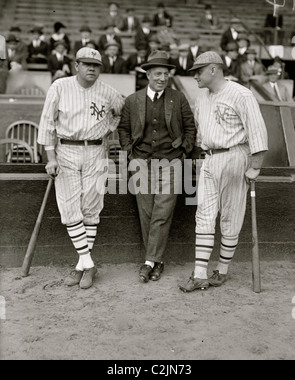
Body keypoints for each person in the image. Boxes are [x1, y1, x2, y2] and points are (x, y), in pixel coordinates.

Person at [178, 51, 268, 292]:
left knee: (230, 216)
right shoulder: (202, 97)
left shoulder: (241, 94)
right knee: (204, 215)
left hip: (235, 155)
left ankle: (222, 270)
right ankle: (199, 274)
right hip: (210, 157)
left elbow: (257, 131)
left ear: (213, 70)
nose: (195, 76)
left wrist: (255, 166)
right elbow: (200, 133)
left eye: (198, 71)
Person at [37, 47, 125, 289]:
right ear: (76, 65)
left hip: (96, 151)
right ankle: (89, 263)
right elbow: (47, 122)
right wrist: (51, 157)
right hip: (66, 150)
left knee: (91, 207)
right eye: (86, 64)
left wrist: (108, 129)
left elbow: (120, 112)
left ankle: (80, 266)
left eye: (96, 66)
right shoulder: (60, 86)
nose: (92, 69)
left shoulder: (109, 92)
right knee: (69, 207)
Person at [118, 50, 196, 283]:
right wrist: (129, 151)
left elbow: (190, 127)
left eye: (166, 74)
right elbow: (123, 129)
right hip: (141, 161)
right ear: (148, 74)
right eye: (158, 74)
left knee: (163, 210)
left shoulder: (178, 98)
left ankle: (149, 262)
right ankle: (156, 261)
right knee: (147, 212)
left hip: (171, 161)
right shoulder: (133, 100)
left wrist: (184, 149)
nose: (162, 78)